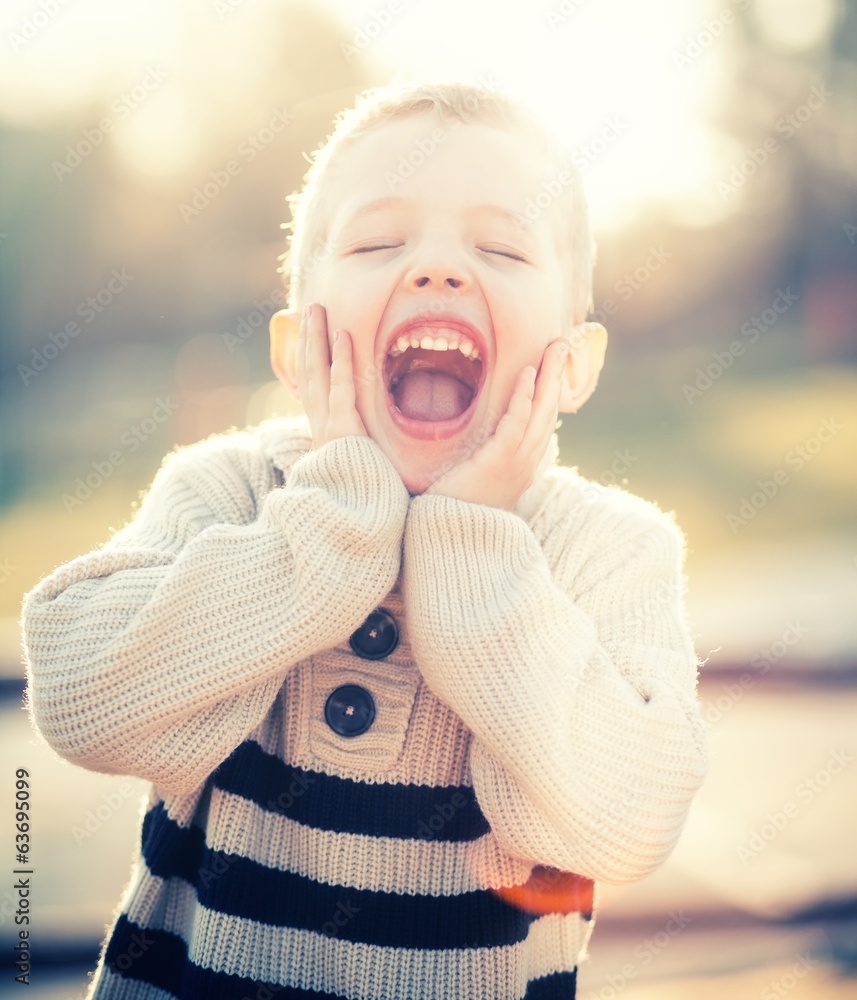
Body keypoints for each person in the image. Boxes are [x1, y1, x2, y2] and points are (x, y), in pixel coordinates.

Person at [21, 79, 708, 999]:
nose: (437, 268)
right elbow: (82, 697)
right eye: (380, 241)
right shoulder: (231, 492)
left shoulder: (607, 550)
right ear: (296, 348)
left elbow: (624, 823)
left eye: (500, 247)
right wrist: (331, 529)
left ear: (572, 365)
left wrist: (472, 555)